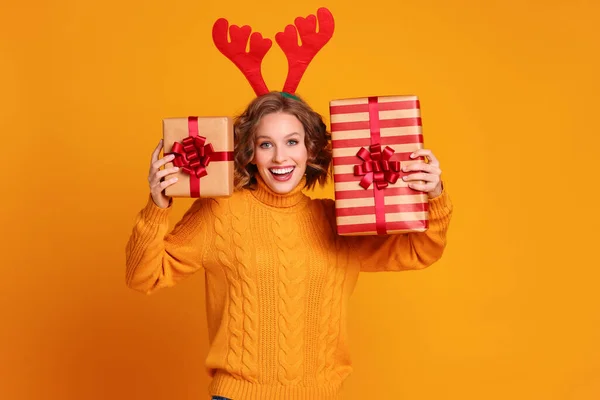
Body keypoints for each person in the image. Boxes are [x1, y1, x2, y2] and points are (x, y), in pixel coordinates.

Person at [125, 91, 453, 400]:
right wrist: (158, 204)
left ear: (311, 150)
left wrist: (434, 193)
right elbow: (144, 274)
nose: (280, 157)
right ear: (250, 155)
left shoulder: (340, 220)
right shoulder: (219, 212)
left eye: (292, 142)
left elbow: (419, 249)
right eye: (266, 144)